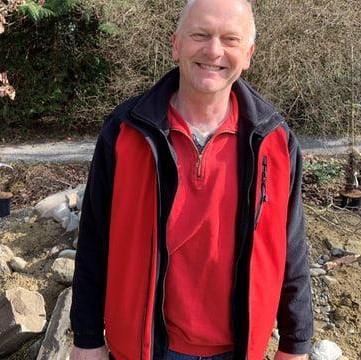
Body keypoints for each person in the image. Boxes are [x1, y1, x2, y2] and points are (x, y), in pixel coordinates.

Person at [70, 0, 313, 359]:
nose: (214, 50)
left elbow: (291, 248)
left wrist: (296, 345)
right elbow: (94, 239)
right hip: (143, 348)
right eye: (200, 35)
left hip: (239, 349)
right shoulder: (125, 131)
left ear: (248, 54)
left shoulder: (273, 140)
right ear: (176, 44)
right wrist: (86, 338)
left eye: (230, 39)